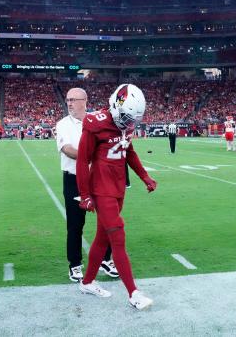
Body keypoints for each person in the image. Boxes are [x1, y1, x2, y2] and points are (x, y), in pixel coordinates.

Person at [76, 83, 158, 310]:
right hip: (101, 188)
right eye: (127, 118)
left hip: (118, 188)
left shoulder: (126, 124)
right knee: (117, 236)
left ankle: (87, 282)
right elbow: (83, 160)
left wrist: (145, 177)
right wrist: (84, 195)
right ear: (115, 105)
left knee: (102, 238)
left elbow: (128, 151)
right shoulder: (96, 123)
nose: (130, 124)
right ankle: (133, 293)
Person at [55, 88, 117, 282]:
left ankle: (106, 259)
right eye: (68, 100)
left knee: (107, 220)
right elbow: (67, 150)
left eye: (73, 99)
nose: (69, 103)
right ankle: (74, 264)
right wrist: (93, 154)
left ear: (85, 101)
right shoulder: (63, 124)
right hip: (73, 178)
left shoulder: (97, 120)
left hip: (98, 177)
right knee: (75, 224)